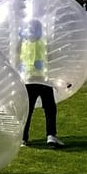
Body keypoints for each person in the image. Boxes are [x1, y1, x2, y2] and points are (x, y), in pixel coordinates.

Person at [18, 20, 63, 148]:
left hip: (29, 80)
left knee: (28, 109)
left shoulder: (24, 43)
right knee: (49, 108)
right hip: (43, 79)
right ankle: (51, 136)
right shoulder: (43, 42)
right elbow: (51, 58)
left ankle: (23, 138)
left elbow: (19, 59)